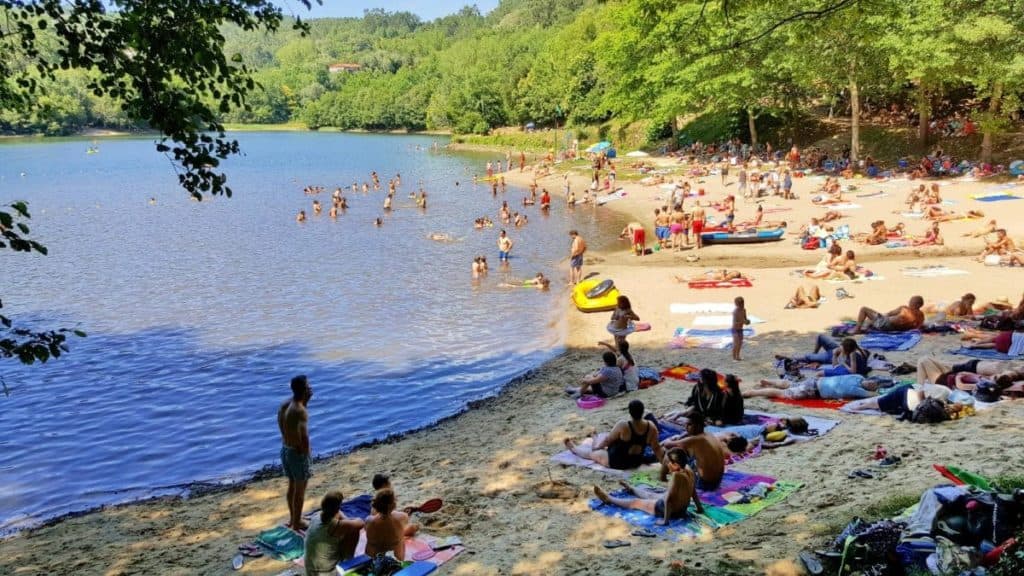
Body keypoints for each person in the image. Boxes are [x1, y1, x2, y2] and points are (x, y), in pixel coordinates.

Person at [592, 449, 703, 525]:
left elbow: (668, 500)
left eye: (668, 462)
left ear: (676, 465)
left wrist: (665, 521)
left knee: (635, 502)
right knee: (650, 494)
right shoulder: (688, 469)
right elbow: (693, 491)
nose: (666, 465)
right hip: (681, 509)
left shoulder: (677, 476)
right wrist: (699, 508)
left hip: (667, 509)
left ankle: (609, 499)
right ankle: (632, 489)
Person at [564, 400, 662, 469]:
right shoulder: (651, 427)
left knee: (592, 453)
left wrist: (597, 448)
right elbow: (656, 448)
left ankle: (574, 449)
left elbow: (607, 440)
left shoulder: (623, 425)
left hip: (617, 462)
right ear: (642, 411)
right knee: (605, 447)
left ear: (630, 412)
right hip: (635, 462)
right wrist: (664, 463)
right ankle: (595, 439)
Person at [278, 375, 313, 530]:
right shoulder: (300, 411)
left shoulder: (286, 405)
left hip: (286, 449)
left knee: (292, 485)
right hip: (297, 454)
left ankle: (294, 518)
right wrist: (306, 452)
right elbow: (303, 436)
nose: (311, 388)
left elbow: (280, 423)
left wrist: (288, 439)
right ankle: (297, 524)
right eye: (308, 386)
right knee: (300, 489)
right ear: (304, 389)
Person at [304, 491, 364, 576]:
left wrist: (341, 516)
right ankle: (348, 561)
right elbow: (360, 523)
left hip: (310, 571)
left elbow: (341, 517)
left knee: (349, 527)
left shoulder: (316, 517)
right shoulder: (334, 525)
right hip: (329, 572)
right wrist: (346, 520)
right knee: (354, 530)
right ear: (338, 507)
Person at [659, 418, 725, 490]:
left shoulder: (695, 439)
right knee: (686, 450)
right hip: (717, 482)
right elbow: (687, 436)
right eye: (686, 424)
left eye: (689, 425)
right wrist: (681, 436)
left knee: (672, 451)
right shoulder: (709, 435)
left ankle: (662, 478)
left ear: (698, 426)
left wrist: (672, 439)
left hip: (704, 484)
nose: (686, 427)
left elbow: (667, 444)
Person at [364, 489, 410, 561]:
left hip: (372, 561)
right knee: (404, 534)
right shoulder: (403, 516)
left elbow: (368, 529)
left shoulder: (369, 520)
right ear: (394, 504)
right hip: (395, 561)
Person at [855, 296, 925, 333]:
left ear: (917, 304)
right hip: (897, 329)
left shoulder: (904, 309)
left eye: (911, 301)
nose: (909, 303)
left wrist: (880, 316)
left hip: (886, 325)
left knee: (864, 309)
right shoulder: (921, 315)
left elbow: (889, 314)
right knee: (871, 320)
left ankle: (857, 330)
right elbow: (918, 327)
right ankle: (870, 324)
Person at [732, 297, 750, 361]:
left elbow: (745, 319)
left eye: (742, 304)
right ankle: (734, 357)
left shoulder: (744, 310)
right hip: (735, 329)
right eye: (739, 304)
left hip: (740, 329)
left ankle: (738, 356)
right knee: (736, 343)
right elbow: (735, 323)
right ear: (737, 304)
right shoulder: (735, 312)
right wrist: (742, 321)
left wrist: (747, 321)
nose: (741, 305)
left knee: (740, 343)